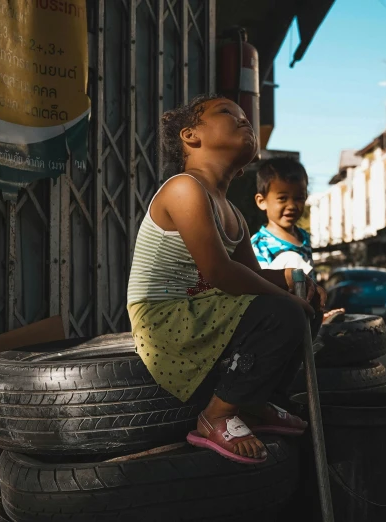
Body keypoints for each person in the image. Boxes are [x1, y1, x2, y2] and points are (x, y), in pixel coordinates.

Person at [127, 94, 325, 465]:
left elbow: (248, 274)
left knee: (303, 309)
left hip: (199, 312)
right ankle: (216, 414)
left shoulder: (233, 211)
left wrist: (290, 278)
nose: (243, 119)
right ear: (190, 136)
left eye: (245, 116)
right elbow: (219, 273)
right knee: (283, 312)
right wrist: (286, 299)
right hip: (165, 320)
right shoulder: (184, 188)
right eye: (226, 113)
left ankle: (250, 403)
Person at [251, 158, 345, 321]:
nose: (292, 206)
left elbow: (311, 277)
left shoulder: (303, 237)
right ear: (262, 201)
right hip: (278, 314)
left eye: (299, 198)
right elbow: (260, 286)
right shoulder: (259, 243)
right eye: (282, 198)